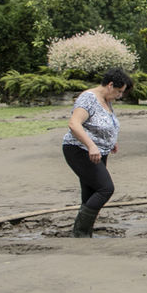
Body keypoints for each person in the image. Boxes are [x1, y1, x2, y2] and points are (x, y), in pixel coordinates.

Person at [62, 68, 133, 238]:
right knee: (105, 189)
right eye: (119, 91)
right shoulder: (88, 98)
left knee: (90, 193)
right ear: (110, 85)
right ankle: (79, 231)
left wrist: (111, 140)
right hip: (80, 150)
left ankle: (84, 235)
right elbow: (74, 124)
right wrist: (91, 145)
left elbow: (102, 124)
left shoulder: (106, 100)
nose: (120, 96)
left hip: (99, 152)